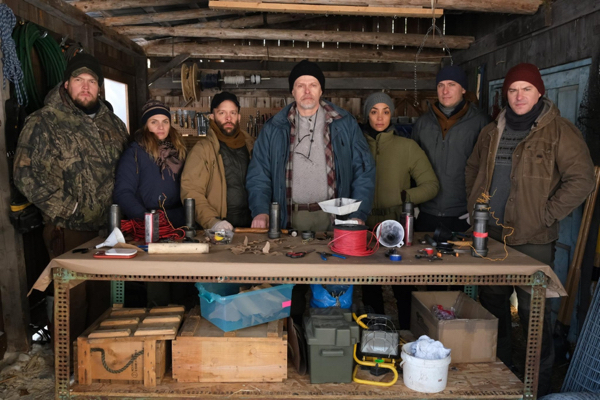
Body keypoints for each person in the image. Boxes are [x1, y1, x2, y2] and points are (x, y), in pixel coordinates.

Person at [465, 62, 595, 395]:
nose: (519, 96)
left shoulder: (560, 131)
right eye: (512, 90)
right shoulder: (492, 131)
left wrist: (547, 214)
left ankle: (535, 386)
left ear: (539, 93)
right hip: (491, 236)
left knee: (534, 315)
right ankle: (501, 376)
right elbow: (473, 168)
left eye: (526, 89)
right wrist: (475, 202)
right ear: (505, 94)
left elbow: (581, 180)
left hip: (533, 239)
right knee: (493, 308)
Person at [246, 60, 376, 320]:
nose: (307, 91)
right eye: (300, 85)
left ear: (321, 90)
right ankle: (290, 344)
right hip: (288, 218)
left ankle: (326, 345)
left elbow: (364, 169)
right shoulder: (275, 128)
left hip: (333, 221)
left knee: (331, 291)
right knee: (286, 294)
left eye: (313, 85)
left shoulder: (343, 123)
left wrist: (358, 212)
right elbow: (259, 174)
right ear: (292, 92)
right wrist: (261, 211)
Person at [13, 53, 129, 336]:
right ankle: (70, 368)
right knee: (71, 301)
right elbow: (25, 175)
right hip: (68, 229)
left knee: (104, 299)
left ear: (99, 87)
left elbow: (128, 170)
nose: (86, 87)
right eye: (79, 80)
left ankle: (96, 364)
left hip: (109, 230)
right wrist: (70, 207)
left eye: (92, 81)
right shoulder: (43, 122)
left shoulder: (114, 124)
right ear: (66, 84)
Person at [360, 92, 439, 329]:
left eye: (385, 111)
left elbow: (431, 185)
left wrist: (406, 197)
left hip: (398, 226)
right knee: (369, 289)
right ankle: (376, 336)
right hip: (364, 226)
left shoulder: (407, 147)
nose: (380, 117)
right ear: (366, 114)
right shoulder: (356, 145)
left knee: (403, 287)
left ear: (392, 114)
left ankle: (407, 336)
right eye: (374, 111)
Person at [412, 65, 489, 233]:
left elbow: (488, 170)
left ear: (462, 89)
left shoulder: (481, 123)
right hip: (426, 213)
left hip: (463, 214)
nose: (445, 90)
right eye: (441, 85)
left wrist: (477, 207)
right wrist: (413, 204)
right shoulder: (423, 124)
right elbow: (410, 166)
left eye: (451, 84)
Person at [181, 92, 254, 230]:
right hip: (220, 227)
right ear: (212, 117)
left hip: (251, 225)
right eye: (222, 113)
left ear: (238, 117)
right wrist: (212, 222)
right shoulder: (202, 150)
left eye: (233, 113)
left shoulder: (251, 145)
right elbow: (191, 191)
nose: (228, 118)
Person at [113, 99, 187, 227]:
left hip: (177, 221)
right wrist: (146, 219)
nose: (161, 127)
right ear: (146, 125)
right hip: (146, 222)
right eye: (154, 122)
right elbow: (123, 193)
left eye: (165, 121)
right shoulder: (134, 153)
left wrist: (184, 215)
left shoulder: (179, 152)